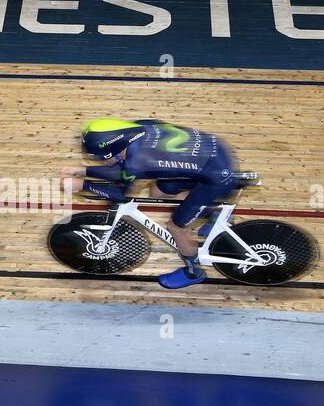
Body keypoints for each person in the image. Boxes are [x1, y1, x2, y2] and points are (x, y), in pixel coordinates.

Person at [60, 118, 240, 289]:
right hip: (213, 155)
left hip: (216, 178)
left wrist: (83, 185)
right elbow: (120, 169)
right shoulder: (139, 127)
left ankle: (193, 272)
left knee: (176, 227)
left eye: (100, 158)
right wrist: (83, 170)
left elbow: (120, 193)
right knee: (158, 192)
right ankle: (214, 213)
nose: (101, 161)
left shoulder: (138, 162)